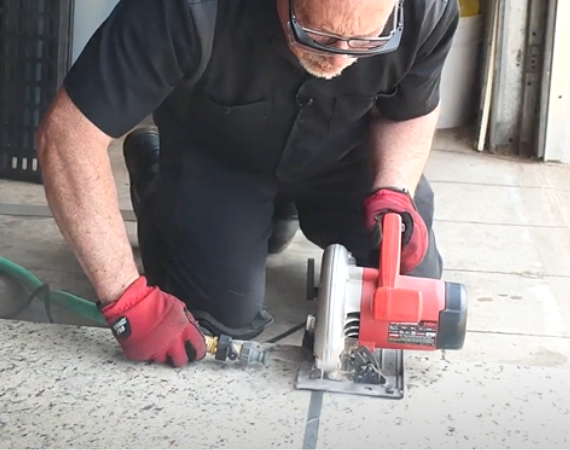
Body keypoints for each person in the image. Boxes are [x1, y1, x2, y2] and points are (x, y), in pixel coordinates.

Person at [35, 0, 459, 368]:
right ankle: (154, 172)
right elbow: (67, 135)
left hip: (347, 157)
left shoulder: (427, 10)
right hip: (218, 156)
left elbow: (411, 111)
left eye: (366, 42)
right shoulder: (184, 8)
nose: (339, 61)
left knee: (413, 303)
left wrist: (394, 188)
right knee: (213, 321)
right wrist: (125, 299)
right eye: (319, 36)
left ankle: (280, 211)